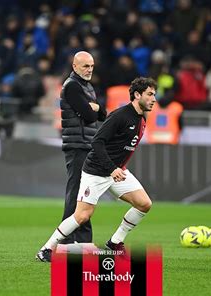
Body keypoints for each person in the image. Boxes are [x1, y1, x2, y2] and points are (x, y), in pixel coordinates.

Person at [36, 77, 157, 262]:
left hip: (117, 171)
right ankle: (46, 249)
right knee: (83, 215)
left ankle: (115, 243)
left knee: (144, 203)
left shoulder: (141, 118)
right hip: (96, 171)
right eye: (150, 94)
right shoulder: (120, 115)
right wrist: (111, 169)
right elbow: (97, 142)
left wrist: (116, 169)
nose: (153, 99)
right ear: (137, 95)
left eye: (154, 95)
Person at [58, 51, 106, 244]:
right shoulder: (72, 87)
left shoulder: (86, 87)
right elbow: (90, 115)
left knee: (84, 194)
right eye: (86, 66)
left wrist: (95, 108)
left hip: (86, 145)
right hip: (77, 146)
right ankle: (65, 239)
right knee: (77, 192)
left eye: (92, 66)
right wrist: (94, 108)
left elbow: (102, 114)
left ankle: (83, 240)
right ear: (75, 67)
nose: (89, 70)